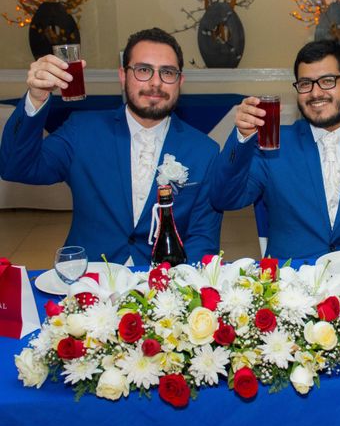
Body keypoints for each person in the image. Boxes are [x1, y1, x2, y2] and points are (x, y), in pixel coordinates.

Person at [0, 28, 220, 265]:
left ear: (180, 81)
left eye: (167, 72)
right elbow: (15, 167)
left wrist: (180, 290)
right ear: (123, 76)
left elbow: (202, 238)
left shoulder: (204, 150)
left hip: (164, 285)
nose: (156, 82)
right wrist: (36, 97)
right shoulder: (82, 130)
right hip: (88, 278)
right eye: (143, 70)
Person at [215, 39, 340, 260]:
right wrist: (242, 139)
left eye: (327, 81)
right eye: (305, 84)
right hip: (292, 281)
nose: (315, 93)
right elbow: (225, 198)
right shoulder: (273, 146)